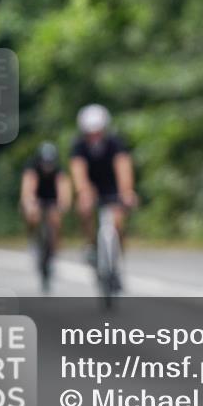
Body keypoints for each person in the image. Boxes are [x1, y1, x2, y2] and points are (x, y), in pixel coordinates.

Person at [69, 104, 137, 277]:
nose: (94, 136)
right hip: (91, 186)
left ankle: (117, 260)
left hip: (112, 186)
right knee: (84, 209)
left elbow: (123, 166)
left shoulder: (115, 143)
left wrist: (127, 191)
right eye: (90, 132)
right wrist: (83, 192)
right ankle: (90, 243)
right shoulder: (79, 146)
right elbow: (78, 170)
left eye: (98, 131)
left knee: (118, 221)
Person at [20, 142, 72, 290]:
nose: (47, 166)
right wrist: (29, 203)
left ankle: (53, 254)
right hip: (37, 197)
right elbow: (27, 189)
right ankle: (33, 240)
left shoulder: (59, 170)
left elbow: (64, 189)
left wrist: (63, 204)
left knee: (55, 221)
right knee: (32, 215)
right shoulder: (32, 168)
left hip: (52, 198)